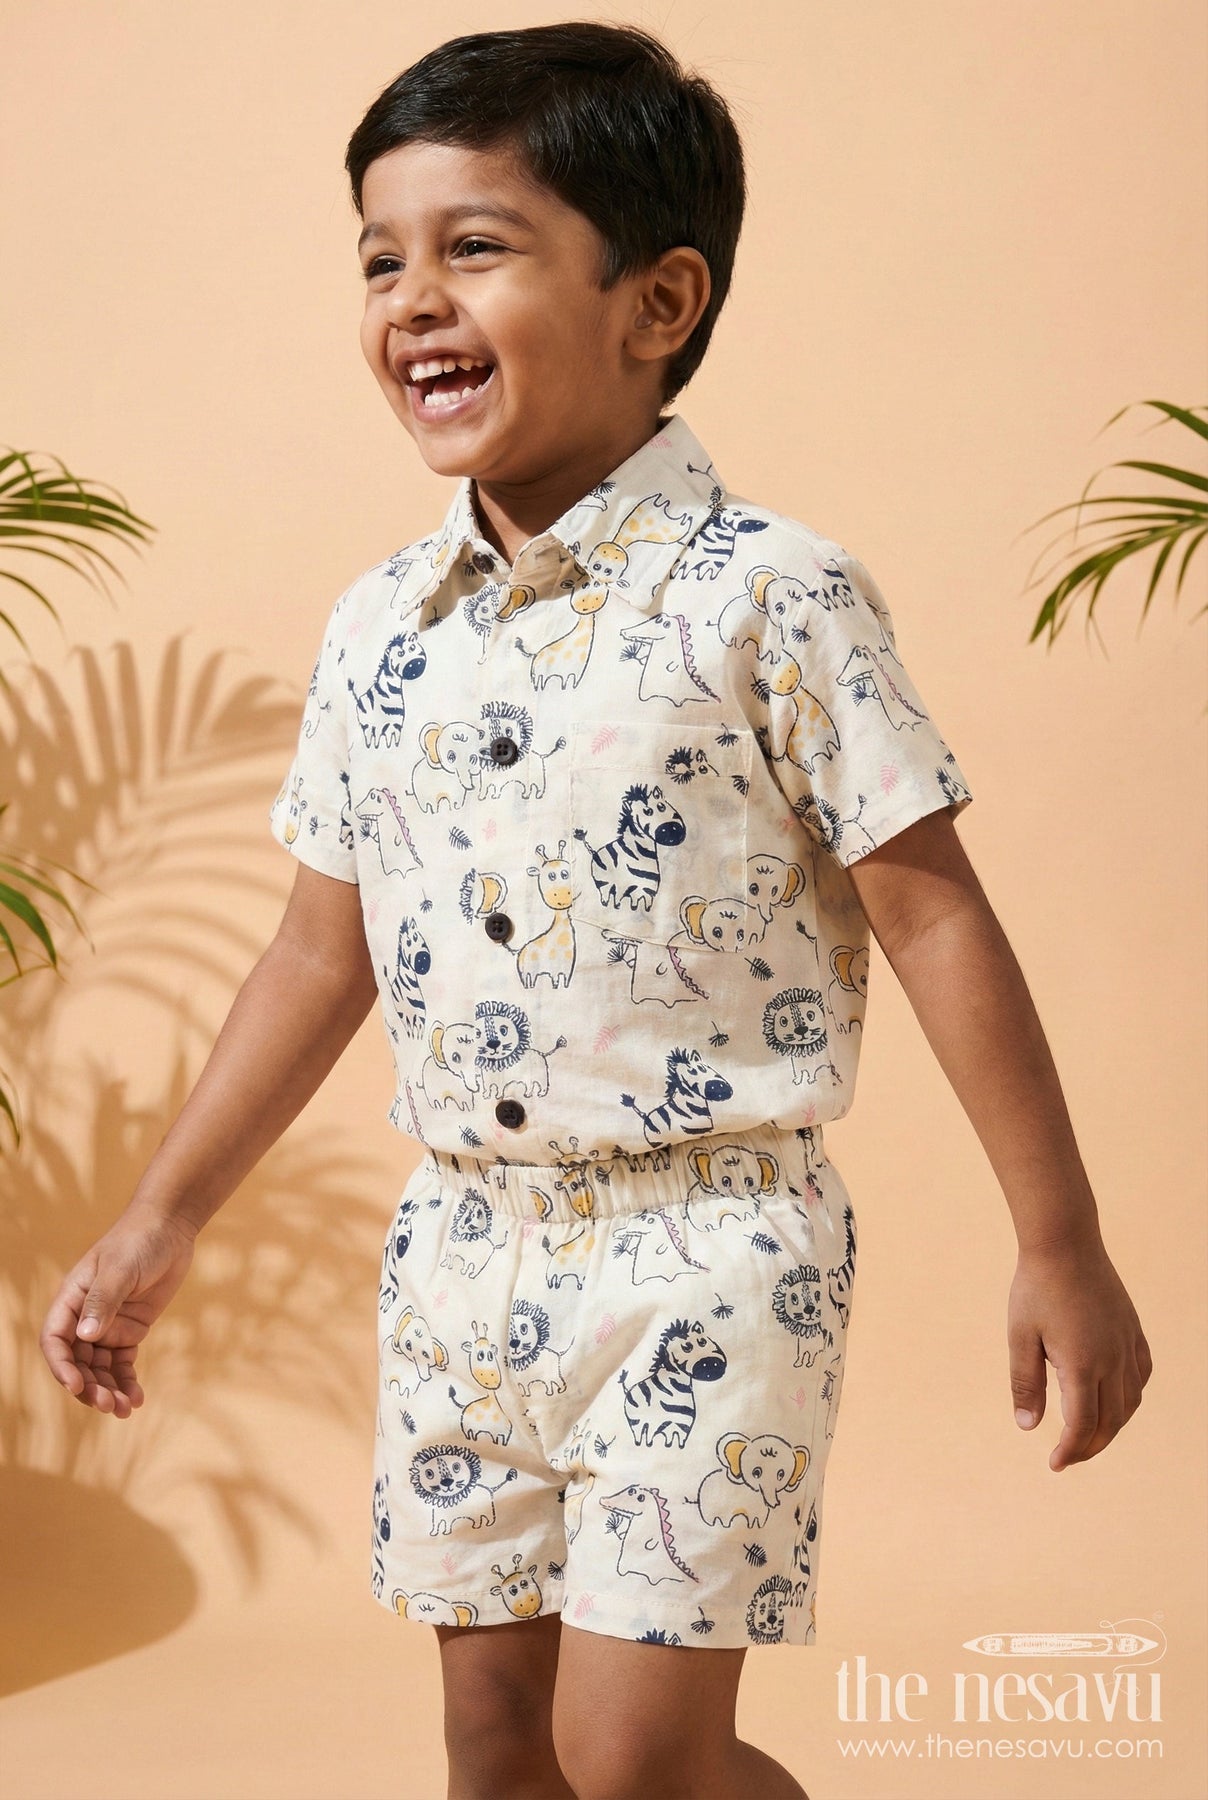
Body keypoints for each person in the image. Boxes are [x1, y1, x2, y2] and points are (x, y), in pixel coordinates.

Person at [40, 23, 1152, 1800]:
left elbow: (935, 916)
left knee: (630, 1762)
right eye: (380, 259)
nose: (414, 299)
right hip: (460, 1257)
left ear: (659, 301)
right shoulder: (378, 628)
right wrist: (158, 1222)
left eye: (475, 246)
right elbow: (318, 950)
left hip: (714, 1253)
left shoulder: (771, 595)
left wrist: (1060, 1238)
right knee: (497, 1756)